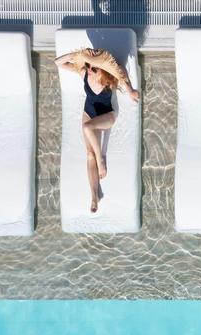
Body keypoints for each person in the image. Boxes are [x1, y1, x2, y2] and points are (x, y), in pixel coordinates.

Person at [54, 48, 140, 213]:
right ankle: (94, 196)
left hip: (107, 116)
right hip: (89, 112)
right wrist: (73, 56)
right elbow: (58, 63)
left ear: (102, 70)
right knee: (89, 154)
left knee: (88, 128)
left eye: (94, 68)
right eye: (89, 66)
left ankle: (101, 161)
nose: (90, 70)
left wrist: (130, 91)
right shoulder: (84, 73)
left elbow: (121, 72)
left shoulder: (109, 79)